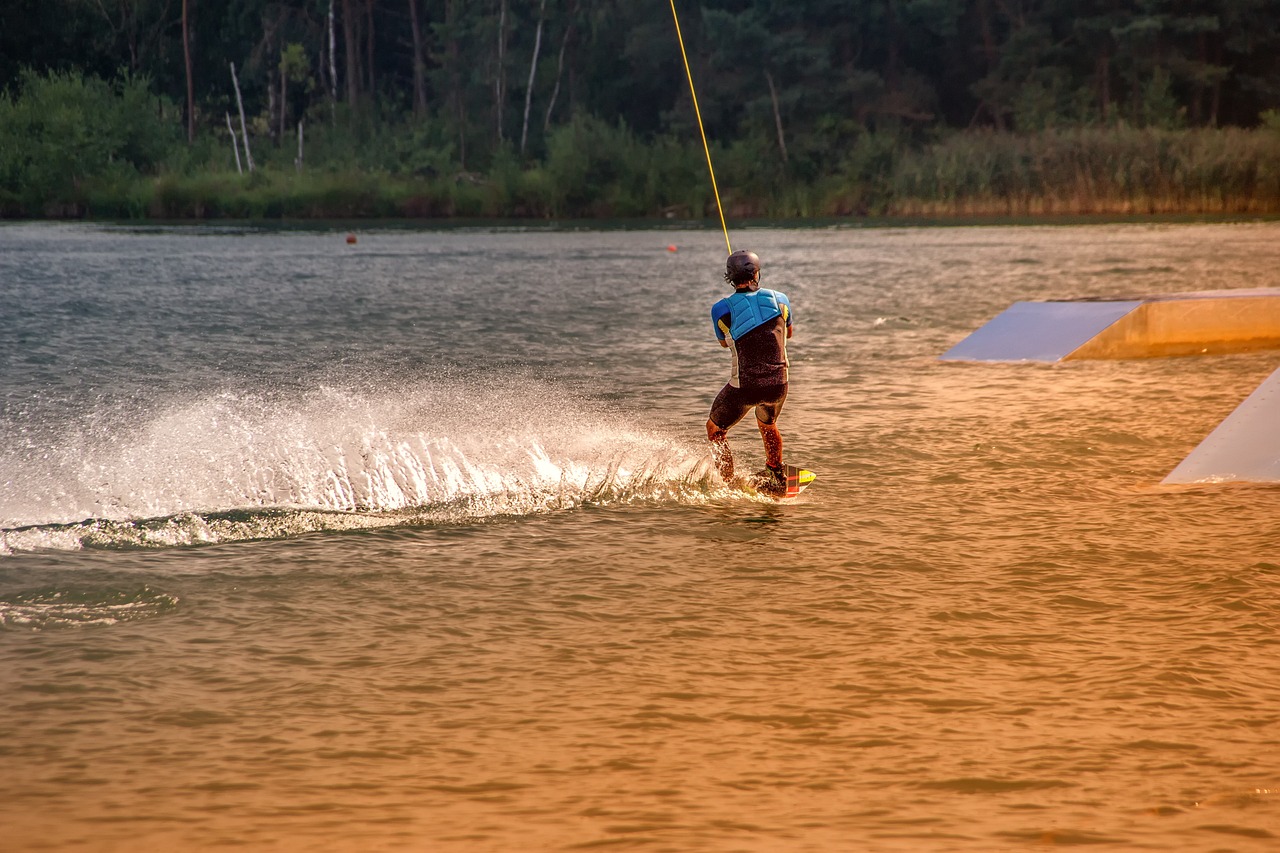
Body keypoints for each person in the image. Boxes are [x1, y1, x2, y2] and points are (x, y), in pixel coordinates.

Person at [706, 249, 793, 489]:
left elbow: (724, 343)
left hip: (744, 387)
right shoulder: (781, 299)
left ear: (729, 277)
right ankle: (776, 472)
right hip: (778, 384)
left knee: (715, 429)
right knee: (767, 424)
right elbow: (789, 333)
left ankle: (727, 482)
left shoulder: (720, 309)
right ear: (757, 273)